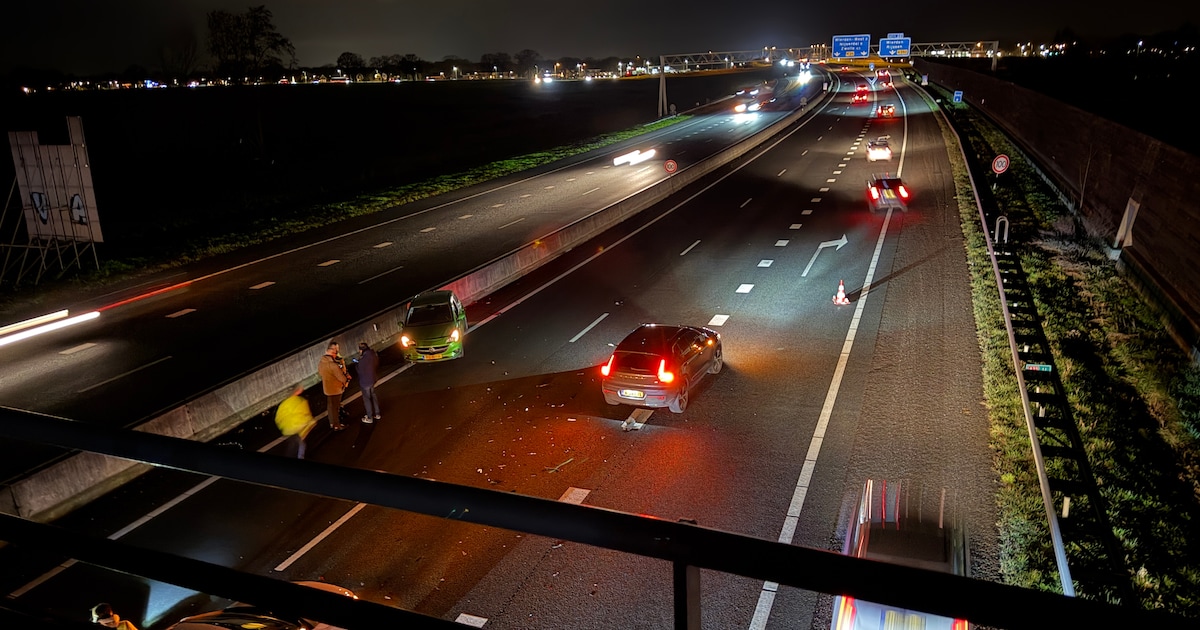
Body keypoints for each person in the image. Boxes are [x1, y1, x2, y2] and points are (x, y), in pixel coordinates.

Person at [274, 385, 316, 458]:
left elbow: (278, 418)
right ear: (298, 390)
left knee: (291, 449)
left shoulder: (284, 404)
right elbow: (306, 418)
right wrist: (312, 423)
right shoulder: (301, 401)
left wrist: (284, 428)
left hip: (288, 432)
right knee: (300, 450)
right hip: (298, 432)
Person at [318, 340, 349, 430]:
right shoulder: (333, 365)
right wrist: (345, 380)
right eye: (335, 351)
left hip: (327, 389)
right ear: (332, 352)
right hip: (336, 389)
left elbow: (320, 373)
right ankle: (336, 424)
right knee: (335, 407)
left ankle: (332, 422)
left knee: (330, 407)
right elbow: (342, 378)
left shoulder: (321, 363)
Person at [354, 341, 381, 423]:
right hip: (372, 379)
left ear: (361, 350)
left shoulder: (362, 360)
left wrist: (357, 363)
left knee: (367, 398)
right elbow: (376, 364)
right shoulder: (373, 354)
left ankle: (369, 417)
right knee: (373, 395)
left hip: (365, 382)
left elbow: (359, 370)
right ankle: (377, 414)